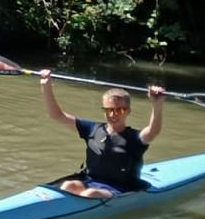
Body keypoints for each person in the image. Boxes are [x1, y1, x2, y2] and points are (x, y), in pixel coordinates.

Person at [40, 70, 165, 198]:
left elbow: (153, 131)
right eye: (109, 110)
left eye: (119, 110)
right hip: (90, 181)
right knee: (67, 186)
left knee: (90, 193)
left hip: (120, 187)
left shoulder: (134, 137)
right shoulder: (92, 129)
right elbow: (57, 115)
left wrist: (157, 104)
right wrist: (46, 87)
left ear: (128, 111)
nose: (113, 114)